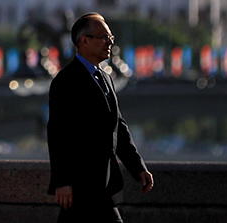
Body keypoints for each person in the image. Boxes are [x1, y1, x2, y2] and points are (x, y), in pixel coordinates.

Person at [47, 12, 154, 221]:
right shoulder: (66, 80)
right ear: (84, 41)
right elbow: (58, 133)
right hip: (79, 183)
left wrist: (137, 167)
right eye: (104, 38)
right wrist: (62, 181)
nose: (110, 43)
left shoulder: (105, 77)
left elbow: (118, 128)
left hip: (102, 182)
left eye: (111, 38)